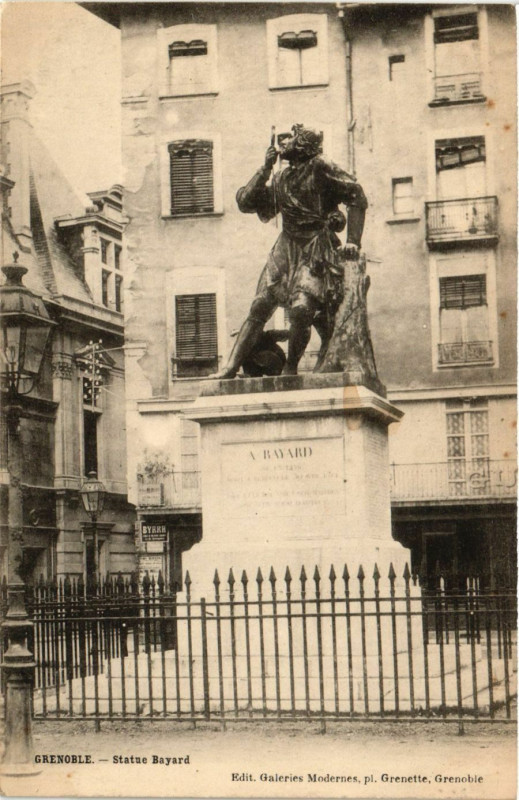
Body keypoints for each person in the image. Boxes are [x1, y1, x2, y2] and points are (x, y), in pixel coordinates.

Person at [211, 124, 368, 378]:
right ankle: (230, 367)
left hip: (316, 245)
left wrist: (353, 241)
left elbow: (357, 195)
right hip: (286, 247)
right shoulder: (281, 178)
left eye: (291, 138)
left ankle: (290, 369)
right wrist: (264, 170)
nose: (284, 142)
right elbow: (246, 203)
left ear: (305, 144)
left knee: (301, 310)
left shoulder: (320, 166)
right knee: (260, 305)